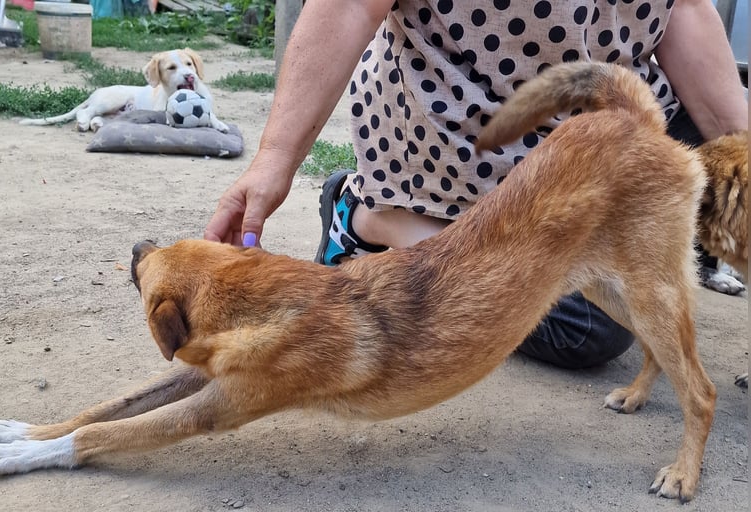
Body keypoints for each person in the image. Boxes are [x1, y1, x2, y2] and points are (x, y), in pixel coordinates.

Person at [205, 0, 748, 369]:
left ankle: (443, 239)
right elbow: (348, 5)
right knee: (589, 326)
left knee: (609, 304)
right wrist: (275, 158)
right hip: (462, 116)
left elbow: (685, 7)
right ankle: (369, 214)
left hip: (600, 120)